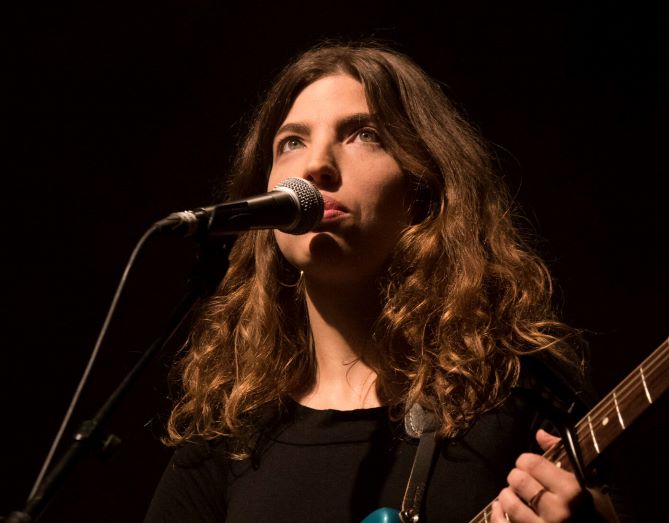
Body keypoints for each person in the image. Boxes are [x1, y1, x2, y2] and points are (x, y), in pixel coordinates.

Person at [145, 41, 619, 523]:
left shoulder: (516, 395)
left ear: (425, 186)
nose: (315, 165)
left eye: (364, 135)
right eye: (292, 142)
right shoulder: (228, 435)